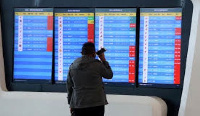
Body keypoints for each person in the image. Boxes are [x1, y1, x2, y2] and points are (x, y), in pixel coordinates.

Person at [66, 42, 113, 116]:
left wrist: (71, 104)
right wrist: (103, 60)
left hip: (78, 103)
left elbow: (69, 86)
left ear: (82, 53)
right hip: (96, 104)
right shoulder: (97, 65)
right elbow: (109, 75)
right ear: (94, 53)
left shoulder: (73, 65)